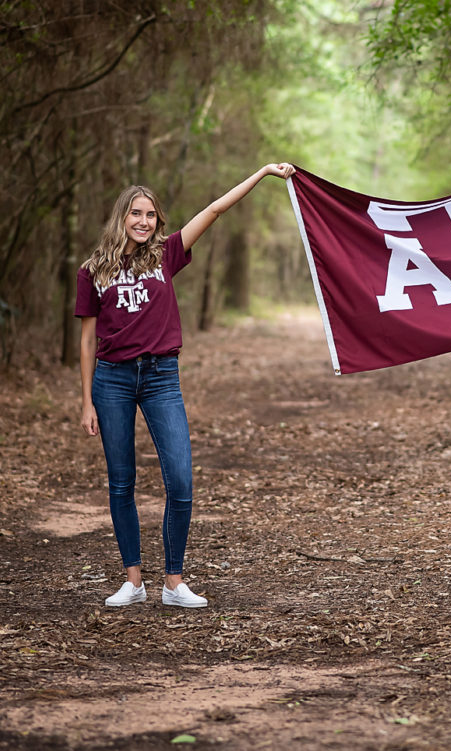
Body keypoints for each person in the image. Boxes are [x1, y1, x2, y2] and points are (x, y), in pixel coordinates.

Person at [76, 162, 296, 608]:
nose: (143, 221)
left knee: (180, 479)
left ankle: (173, 583)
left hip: (161, 378)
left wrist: (261, 173)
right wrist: (86, 402)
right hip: (112, 380)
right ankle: (133, 581)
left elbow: (214, 210)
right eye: (135, 214)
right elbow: (86, 341)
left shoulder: (166, 255)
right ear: (122, 217)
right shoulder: (93, 270)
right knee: (122, 482)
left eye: (150, 215)